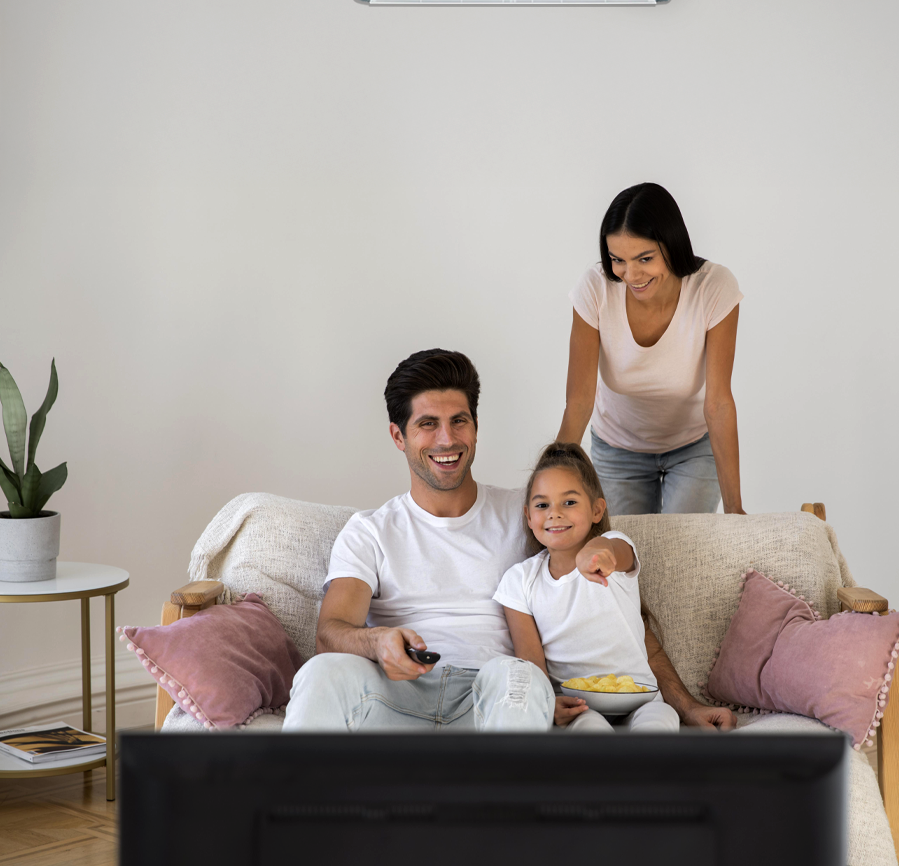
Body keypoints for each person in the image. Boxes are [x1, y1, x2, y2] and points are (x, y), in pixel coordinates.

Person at [283, 347, 733, 732]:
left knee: (516, 676)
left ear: (476, 429)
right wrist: (376, 641)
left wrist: (686, 704)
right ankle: (291, 822)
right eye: (427, 424)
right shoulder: (370, 531)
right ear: (398, 436)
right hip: (394, 694)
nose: (447, 439)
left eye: (459, 420)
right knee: (323, 671)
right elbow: (331, 633)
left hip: (498, 694)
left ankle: (501, 820)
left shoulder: (535, 514)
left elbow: (620, 613)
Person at [557, 182, 745, 516]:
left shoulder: (713, 287)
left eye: (645, 258)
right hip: (617, 448)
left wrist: (735, 510)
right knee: (626, 551)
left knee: (682, 551)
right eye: (618, 260)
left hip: (693, 448)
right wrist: (554, 480)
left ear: (671, 245)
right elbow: (580, 401)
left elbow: (718, 403)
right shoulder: (596, 288)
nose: (631, 275)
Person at [495, 442, 680, 733]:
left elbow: (613, 550)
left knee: (660, 724)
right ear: (529, 517)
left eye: (569, 502)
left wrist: (597, 552)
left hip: (641, 698)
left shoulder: (616, 550)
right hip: (579, 706)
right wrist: (548, 703)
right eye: (542, 505)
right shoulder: (519, 581)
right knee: (590, 733)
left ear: (596, 510)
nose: (554, 513)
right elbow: (531, 660)